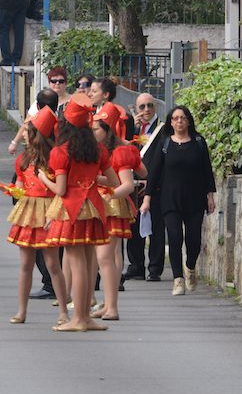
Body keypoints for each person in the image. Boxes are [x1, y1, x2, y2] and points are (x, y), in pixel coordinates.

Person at [39, 94, 126, 333]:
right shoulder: (97, 149)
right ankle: (86, 317)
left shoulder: (61, 151)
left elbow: (61, 188)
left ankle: (78, 318)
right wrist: (88, 180)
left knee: (77, 264)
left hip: (71, 208)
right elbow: (113, 180)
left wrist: (44, 178)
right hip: (94, 207)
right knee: (89, 265)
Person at [141, 105, 216, 296]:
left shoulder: (199, 142)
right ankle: (178, 279)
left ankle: (190, 267)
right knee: (174, 237)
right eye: (175, 118)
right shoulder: (165, 144)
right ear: (171, 122)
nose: (179, 121)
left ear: (188, 121)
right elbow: (154, 173)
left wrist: (210, 196)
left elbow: (207, 171)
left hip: (195, 198)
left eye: (183, 118)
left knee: (194, 240)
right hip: (170, 199)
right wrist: (147, 199)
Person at [6, 107, 69, 325]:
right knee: (25, 263)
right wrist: (10, 189)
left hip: (48, 211)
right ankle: (21, 310)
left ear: (37, 133)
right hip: (28, 211)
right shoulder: (24, 159)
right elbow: (20, 188)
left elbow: (62, 191)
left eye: (27, 130)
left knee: (53, 264)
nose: (23, 133)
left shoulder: (55, 157)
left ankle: (63, 311)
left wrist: (54, 214)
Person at [90, 105, 139, 320]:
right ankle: (108, 304)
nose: (92, 134)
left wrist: (109, 196)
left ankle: (112, 306)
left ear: (107, 130)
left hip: (111, 205)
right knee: (104, 258)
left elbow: (126, 184)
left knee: (106, 257)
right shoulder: (101, 151)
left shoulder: (119, 152)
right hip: (101, 204)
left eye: (96, 130)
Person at [126, 91, 168, 281]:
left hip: (155, 185)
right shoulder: (132, 128)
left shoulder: (163, 129)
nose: (146, 110)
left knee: (156, 228)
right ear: (136, 109)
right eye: (142, 107)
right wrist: (133, 131)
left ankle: (154, 268)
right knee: (133, 229)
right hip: (133, 185)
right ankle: (136, 266)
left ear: (155, 107)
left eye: (149, 106)